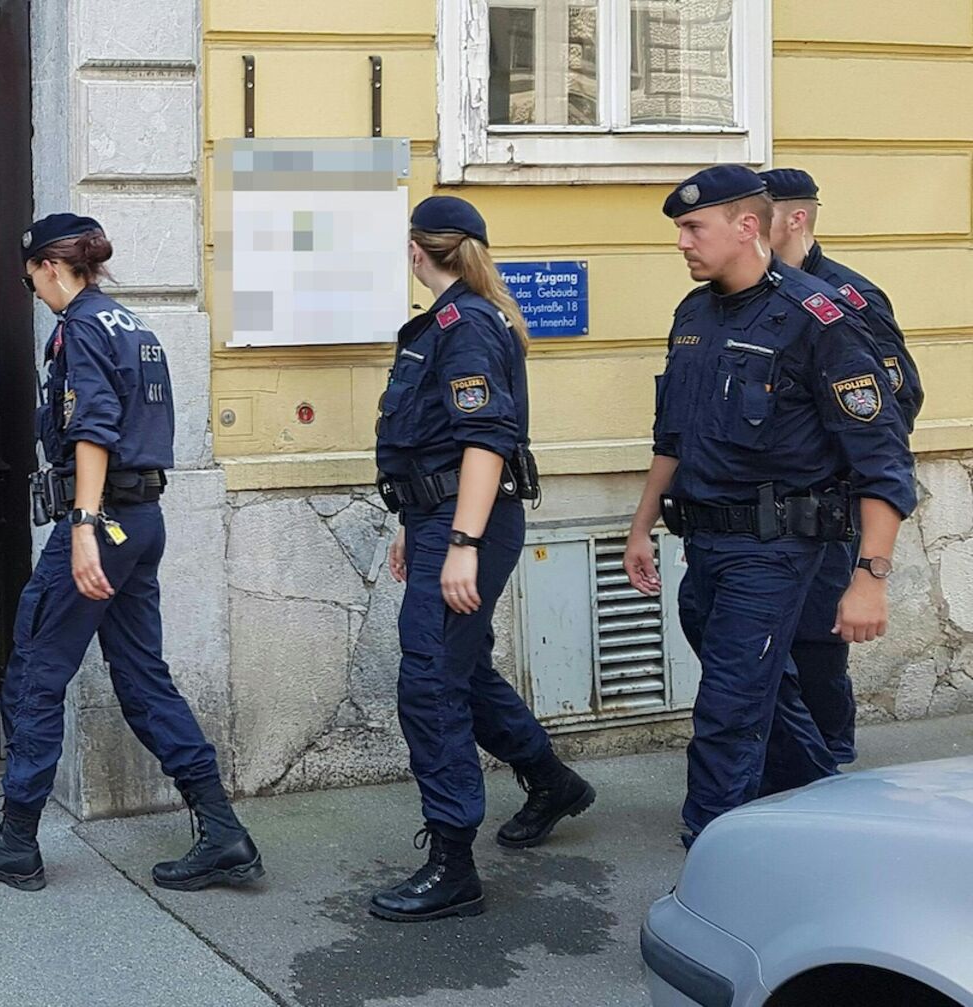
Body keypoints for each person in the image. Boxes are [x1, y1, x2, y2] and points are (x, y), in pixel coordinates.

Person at [0, 213, 262, 892]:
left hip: (104, 521)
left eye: (34, 278)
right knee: (144, 677)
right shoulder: (133, 326)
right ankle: (222, 830)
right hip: (142, 519)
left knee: (35, 670)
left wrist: (85, 524)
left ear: (54, 268)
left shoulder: (82, 328)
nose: (35, 291)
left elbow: (91, 427)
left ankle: (15, 842)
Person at [624, 166, 915, 846]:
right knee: (760, 687)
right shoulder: (693, 314)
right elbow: (674, 433)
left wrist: (870, 577)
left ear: (746, 226)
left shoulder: (820, 318)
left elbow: (883, 457)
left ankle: (712, 857)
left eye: (694, 227)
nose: (682, 242)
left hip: (779, 544)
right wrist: (641, 524)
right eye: (679, 229)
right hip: (707, 541)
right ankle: (831, 803)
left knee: (728, 706)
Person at [367, 196, 596, 923]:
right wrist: (418, 524)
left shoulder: (464, 326)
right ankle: (549, 778)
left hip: (467, 522)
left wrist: (460, 542)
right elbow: (435, 442)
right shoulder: (451, 320)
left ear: (417, 250)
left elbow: (485, 442)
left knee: (430, 680)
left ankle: (453, 862)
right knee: (458, 666)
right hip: (440, 516)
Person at [759, 167, 924, 772]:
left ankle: (830, 763)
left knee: (818, 643)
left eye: (761, 212)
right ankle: (789, 766)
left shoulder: (845, 297)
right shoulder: (756, 296)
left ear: (794, 218)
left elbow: (895, 399)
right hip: (769, 505)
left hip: (831, 501)